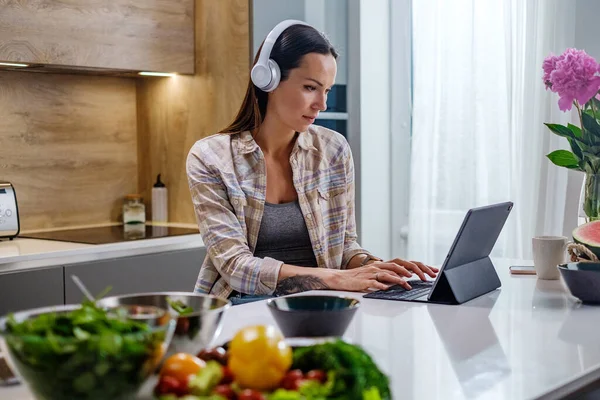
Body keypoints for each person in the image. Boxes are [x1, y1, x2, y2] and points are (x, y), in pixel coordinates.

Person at [186, 20, 438, 305]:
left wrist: (373, 267)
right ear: (267, 79)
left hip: (325, 303)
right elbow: (235, 267)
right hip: (244, 304)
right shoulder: (210, 158)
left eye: (327, 90)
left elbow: (343, 246)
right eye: (310, 88)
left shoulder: (333, 150)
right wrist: (334, 278)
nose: (323, 104)